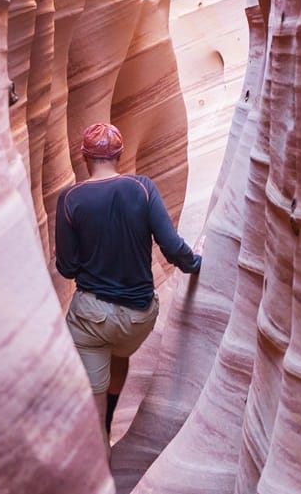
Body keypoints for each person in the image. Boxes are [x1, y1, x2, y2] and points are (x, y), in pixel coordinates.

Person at [55, 122, 202, 437]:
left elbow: (66, 268)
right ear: (119, 155)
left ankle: (99, 434)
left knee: (89, 359)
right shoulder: (142, 188)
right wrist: (195, 264)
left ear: (84, 157)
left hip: (93, 319)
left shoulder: (70, 200)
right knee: (118, 352)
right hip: (139, 317)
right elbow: (172, 246)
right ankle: (109, 419)